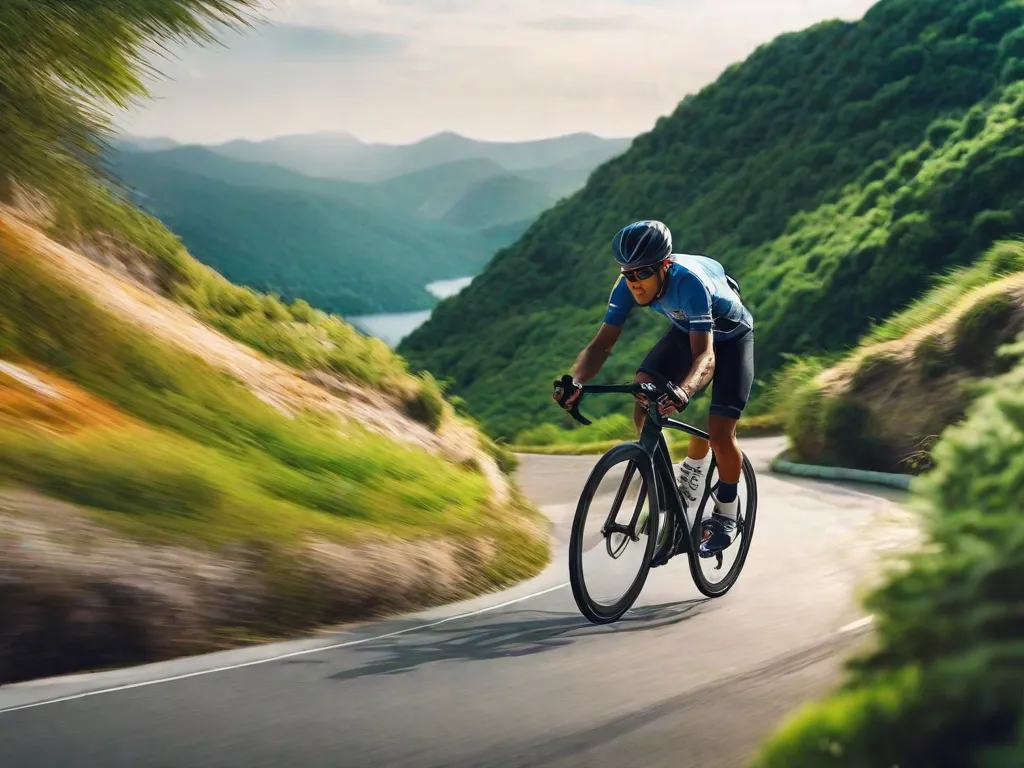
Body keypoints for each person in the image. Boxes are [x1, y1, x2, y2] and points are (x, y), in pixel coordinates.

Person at [552, 220, 754, 554]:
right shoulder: (626, 285)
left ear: (664, 266)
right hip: (688, 327)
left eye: (641, 273)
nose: (634, 283)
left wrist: (684, 391)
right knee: (642, 388)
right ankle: (669, 485)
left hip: (731, 339)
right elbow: (601, 346)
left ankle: (726, 514)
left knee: (719, 433)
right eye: (627, 273)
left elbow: (706, 356)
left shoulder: (688, 285)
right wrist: (577, 381)